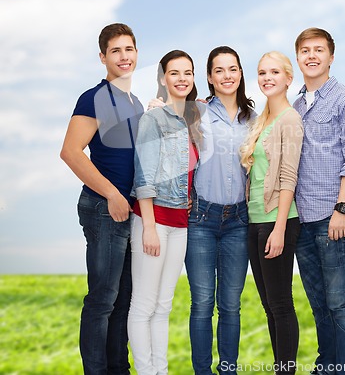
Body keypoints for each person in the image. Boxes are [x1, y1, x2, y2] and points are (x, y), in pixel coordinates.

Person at [60, 23, 144, 374]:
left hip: (129, 209)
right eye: (116, 51)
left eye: (129, 49)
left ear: (136, 53)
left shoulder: (134, 102)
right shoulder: (94, 98)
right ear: (103, 57)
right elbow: (71, 152)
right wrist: (111, 193)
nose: (124, 57)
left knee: (123, 301)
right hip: (103, 208)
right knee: (102, 301)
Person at [292, 28, 345, 375]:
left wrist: (341, 209)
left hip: (332, 214)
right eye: (305, 50)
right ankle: (326, 368)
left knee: (341, 303)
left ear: (331, 56)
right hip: (302, 218)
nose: (312, 56)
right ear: (298, 57)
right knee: (319, 304)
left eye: (318, 50)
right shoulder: (294, 106)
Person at [128, 50, 201, 375]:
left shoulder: (192, 120)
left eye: (188, 72)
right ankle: (146, 371)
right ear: (162, 78)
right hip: (152, 219)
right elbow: (143, 174)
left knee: (163, 305)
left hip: (180, 222)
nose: (182, 78)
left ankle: (161, 370)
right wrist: (149, 227)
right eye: (175, 73)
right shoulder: (153, 119)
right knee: (143, 305)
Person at [185, 46, 255, 375]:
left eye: (233, 69)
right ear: (210, 78)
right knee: (201, 304)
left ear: (240, 73)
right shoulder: (194, 113)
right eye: (219, 70)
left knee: (230, 305)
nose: (227, 76)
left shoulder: (255, 119)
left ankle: (228, 370)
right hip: (200, 218)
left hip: (239, 221)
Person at [240, 51, 303, 375]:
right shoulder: (262, 119)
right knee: (269, 306)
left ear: (288, 79)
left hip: (277, 222)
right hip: (254, 222)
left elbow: (289, 177)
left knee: (280, 305)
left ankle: (286, 371)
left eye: (274, 72)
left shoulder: (290, 120)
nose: (267, 78)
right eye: (262, 72)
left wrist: (279, 229)